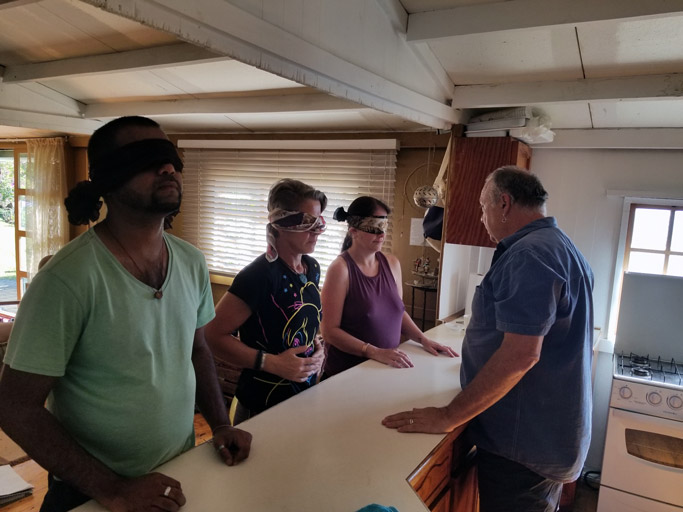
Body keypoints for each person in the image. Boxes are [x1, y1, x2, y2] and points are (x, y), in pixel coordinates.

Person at [0, 116, 252, 512]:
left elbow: (197, 349)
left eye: (171, 159)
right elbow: (15, 406)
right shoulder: (67, 279)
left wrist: (220, 423)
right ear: (108, 179)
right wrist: (114, 490)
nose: (167, 168)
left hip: (180, 471)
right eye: (146, 159)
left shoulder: (191, 262)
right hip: (91, 491)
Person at [383, 166, 594, 512]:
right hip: (547, 434)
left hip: (523, 443)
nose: (482, 218)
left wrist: (449, 415)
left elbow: (521, 355)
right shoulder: (562, 246)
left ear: (504, 204)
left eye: (484, 207)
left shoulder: (529, 255)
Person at [205, 179, 326, 423]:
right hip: (261, 406)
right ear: (281, 223)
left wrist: (316, 349)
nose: (317, 231)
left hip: (303, 397)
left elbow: (299, 320)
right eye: (307, 222)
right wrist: (272, 363)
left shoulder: (311, 267)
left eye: (320, 222)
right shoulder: (259, 275)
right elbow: (212, 335)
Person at [321, 196, 456, 377]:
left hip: (385, 368)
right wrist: (373, 352)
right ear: (353, 231)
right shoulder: (340, 269)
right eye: (374, 228)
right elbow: (329, 332)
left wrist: (423, 339)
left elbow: (397, 312)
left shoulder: (392, 264)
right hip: (348, 373)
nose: (381, 235)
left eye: (384, 227)